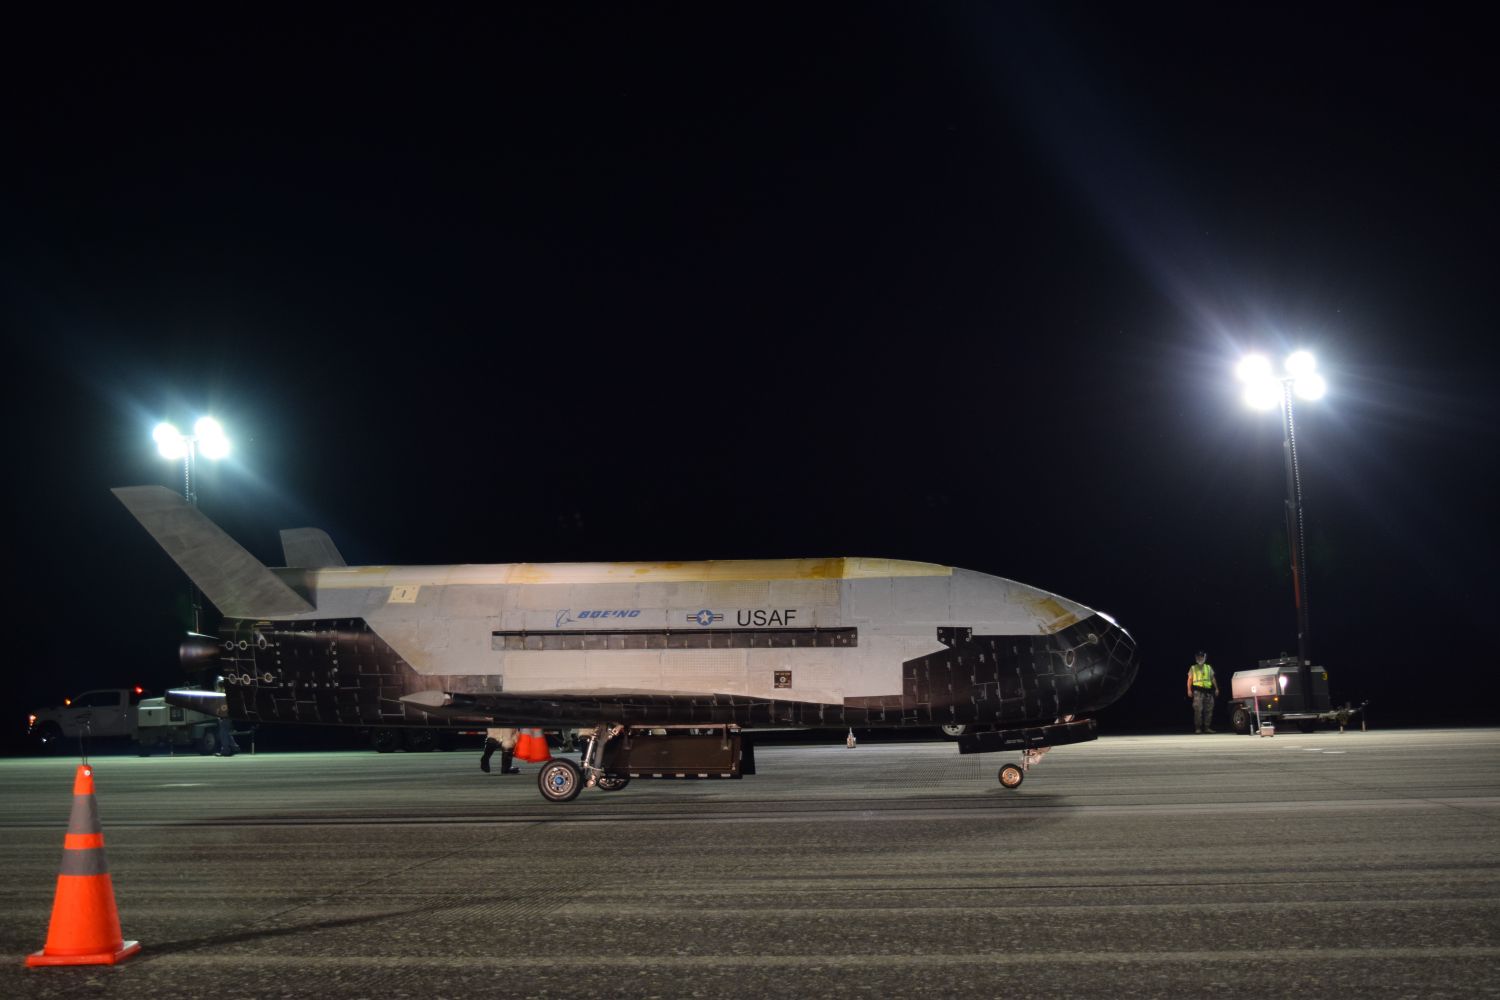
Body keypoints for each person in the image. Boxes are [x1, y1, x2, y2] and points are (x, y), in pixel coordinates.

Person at [1186, 650, 1219, 733]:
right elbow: (1189, 679)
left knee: (1209, 710)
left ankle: (1207, 727)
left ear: (1204, 657)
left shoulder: (1208, 667)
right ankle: (1198, 728)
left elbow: (1212, 678)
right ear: (1196, 658)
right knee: (1198, 710)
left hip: (1208, 692)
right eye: (1198, 656)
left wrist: (1216, 688)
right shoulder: (1193, 668)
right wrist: (1189, 690)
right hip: (1198, 691)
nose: (1200, 658)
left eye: (1201, 656)